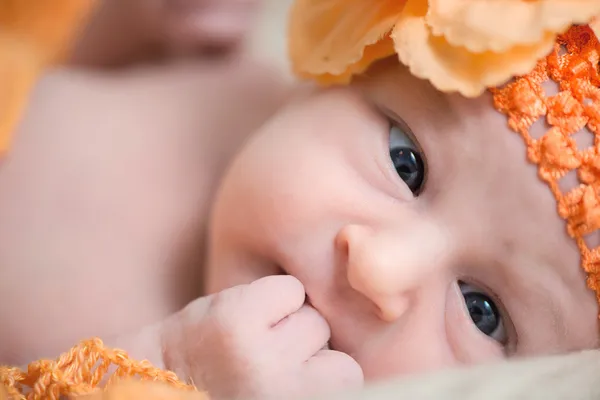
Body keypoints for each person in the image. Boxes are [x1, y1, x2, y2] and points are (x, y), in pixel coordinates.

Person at [2, 0, 600, 399]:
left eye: (482, 311)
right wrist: (131, 26)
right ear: (341, 71)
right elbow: (68, 80)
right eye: (405, 164)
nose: (377, 267)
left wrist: (171, 372)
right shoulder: (245, 93)